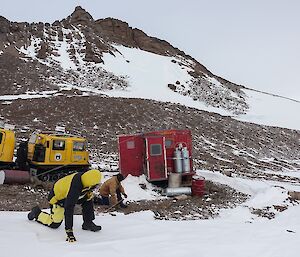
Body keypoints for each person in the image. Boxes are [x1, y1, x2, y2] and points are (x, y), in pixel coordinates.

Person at [27, 169, 102, 242]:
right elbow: (69, 208)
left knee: (88, 199)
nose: (96, 187)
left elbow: (87, 194)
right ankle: (36, 213)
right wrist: (69, 231)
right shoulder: (75, 188)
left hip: (69, 195)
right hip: (58, 199)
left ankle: (88, 223)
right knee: (54, 224)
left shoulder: (85, 178)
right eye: (95, 185)